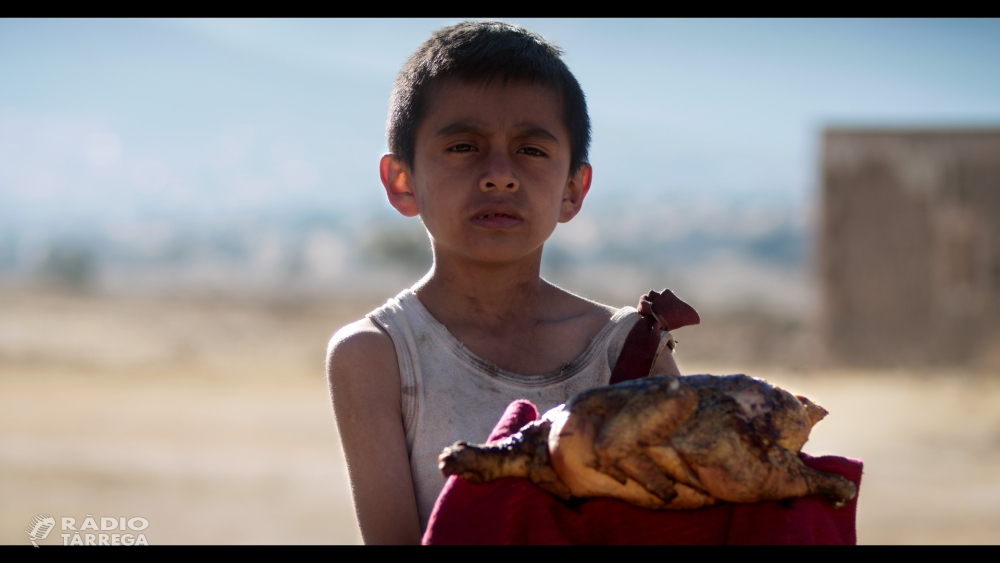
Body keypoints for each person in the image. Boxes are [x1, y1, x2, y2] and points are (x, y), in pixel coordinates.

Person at [326, 21, 681, 544]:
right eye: (464, 146)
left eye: (532, 150)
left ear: (573, 189)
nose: (500, 174)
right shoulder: (376, 356)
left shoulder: (628, 351)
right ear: (402, 182)